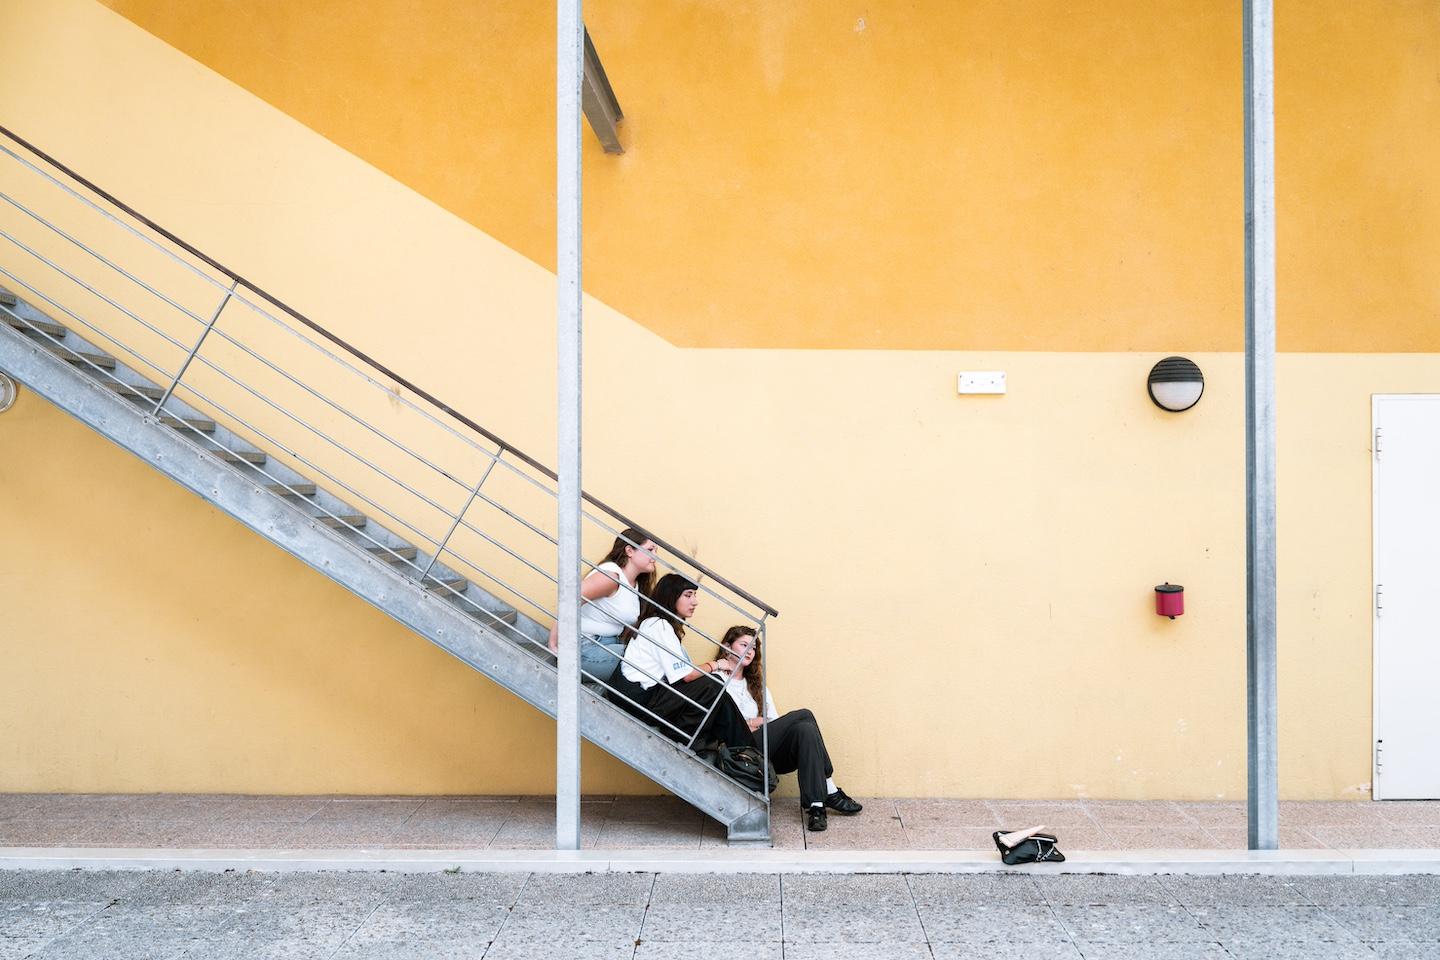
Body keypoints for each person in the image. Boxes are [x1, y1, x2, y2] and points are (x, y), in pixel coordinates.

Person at [718, 625, 862, 832]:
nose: (750, 651)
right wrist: (753, 722)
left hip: (765, 753)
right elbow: (724, 727)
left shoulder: (758, 686)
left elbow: (775, 723)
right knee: (805, 714)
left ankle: (816, 806)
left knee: (805, 729)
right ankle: (828, 787)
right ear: (726, 647)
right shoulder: (717, 682)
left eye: (753, 647)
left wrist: (760, 722)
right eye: (743, 645)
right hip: (740, 751)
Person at [608, 573, 757, 750]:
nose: (695, 602)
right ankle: (747, 750)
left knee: (714, 688)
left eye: (695, 595)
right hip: (637, 699)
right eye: (688, 595)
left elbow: (682, 676)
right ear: (671, 597)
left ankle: (744, 749)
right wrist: (717, 664)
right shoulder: (659, 626)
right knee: (712, 686)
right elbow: (686, 676)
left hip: (646, 694)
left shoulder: (661, 625)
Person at [548, 527, 657, 684]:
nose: (655, 556)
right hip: (584, 649)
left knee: (654, 654)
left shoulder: (635, 585)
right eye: (650, 550)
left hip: (608, 645)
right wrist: (553, 642)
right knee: (648, 660)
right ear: (630, 551)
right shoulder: (611, 577)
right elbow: (570, 600)